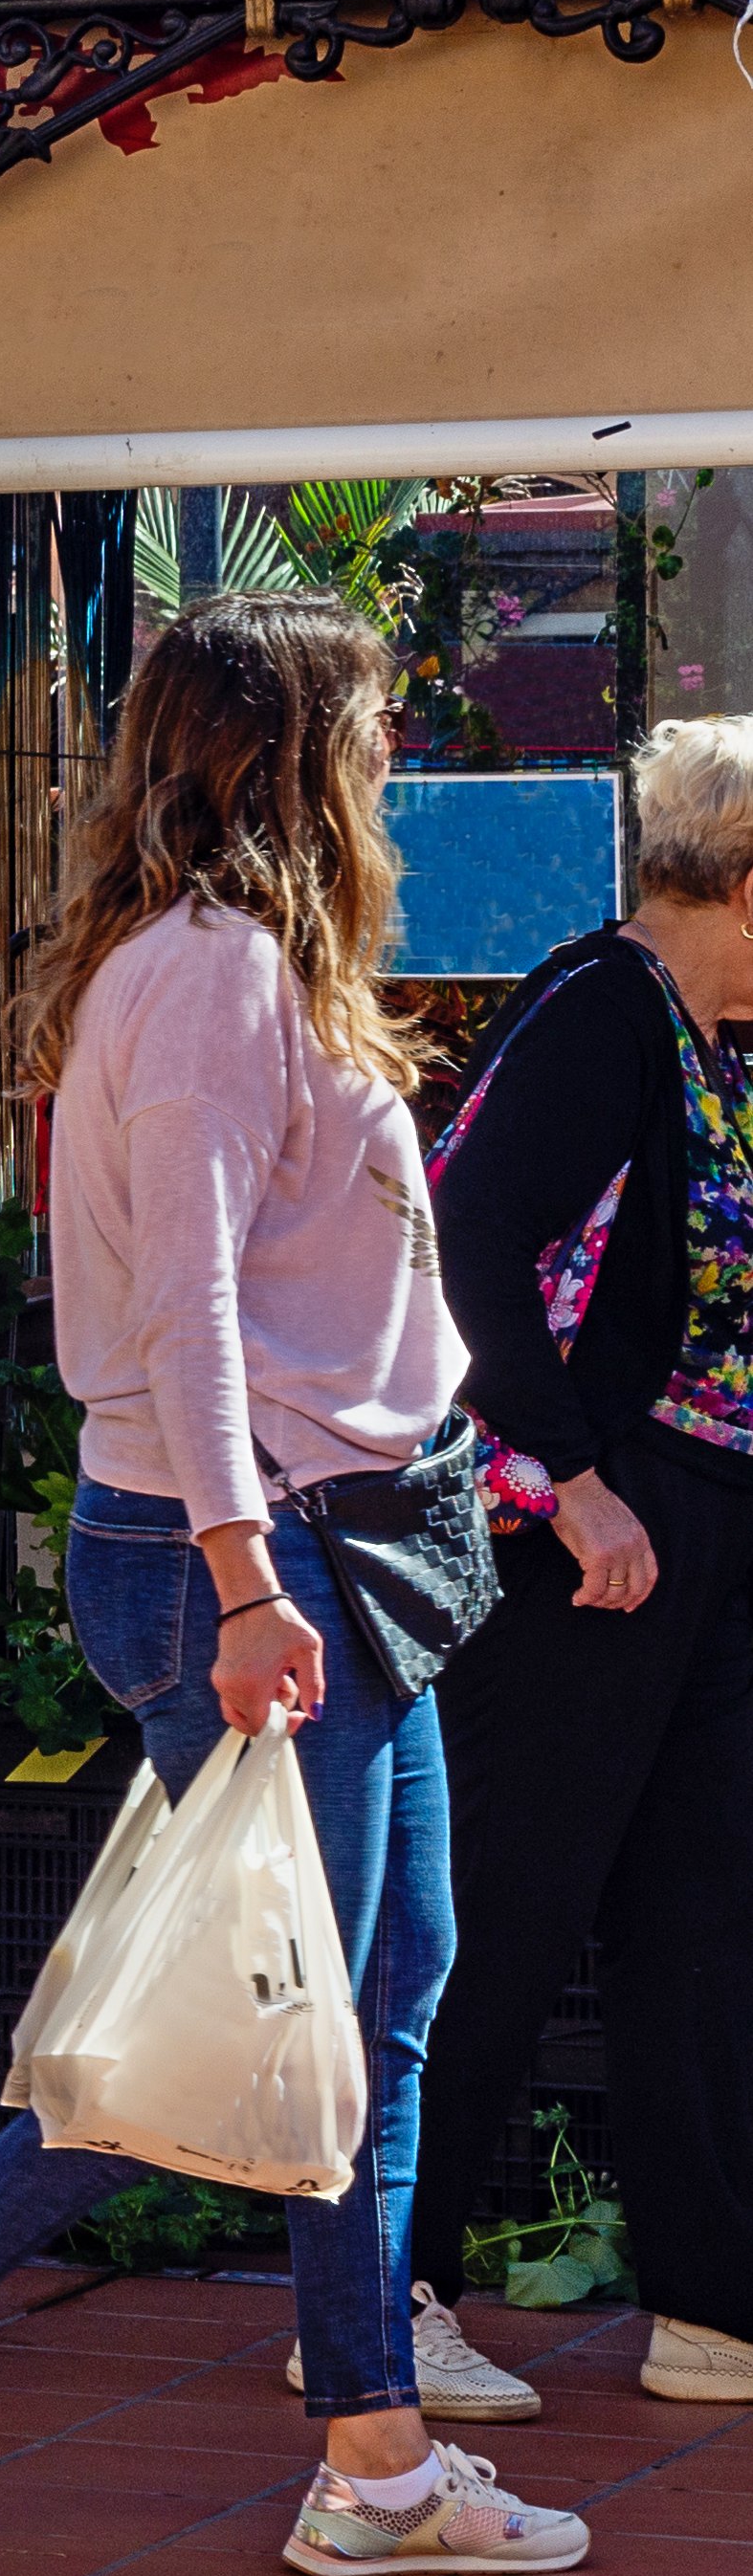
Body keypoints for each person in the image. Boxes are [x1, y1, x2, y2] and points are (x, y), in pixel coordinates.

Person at [0, 592, 562, 2576]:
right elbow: (184, 1314)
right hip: (262, 1556)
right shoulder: (201, 980)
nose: (384, 763)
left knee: (362, 1990)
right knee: (230, 2024)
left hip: (326, 1547)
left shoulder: (240, 964)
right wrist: (242, 1572)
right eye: (362, 729)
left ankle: (365, 2452)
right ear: (279, 755)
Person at [407, 715, 753, 2414]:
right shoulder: (594, 1011)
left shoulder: (716, 1034)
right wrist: (564, 1470)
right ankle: (384, 2288)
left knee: (697, 1907)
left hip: (702, 1521)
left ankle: (709, 2300)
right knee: (505, 1903)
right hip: (590, 1535)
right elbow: (457, 1236)